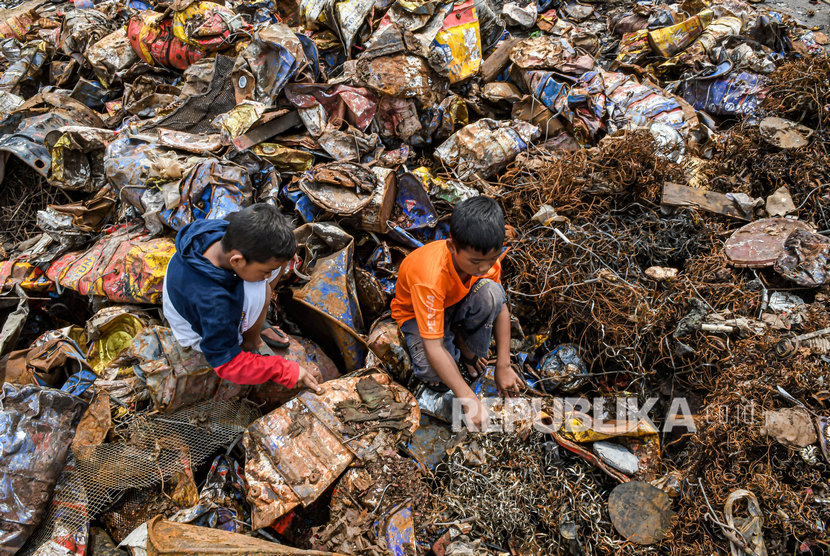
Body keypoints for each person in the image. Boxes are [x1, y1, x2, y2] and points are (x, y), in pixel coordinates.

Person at [391, 196, 524, 430]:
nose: (484, 267)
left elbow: (501, 307)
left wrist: (504, 365)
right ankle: (457, 346)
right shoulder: (430, 278)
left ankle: (461, 345)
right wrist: (468, 397)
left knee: (492, 292)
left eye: (491, 259)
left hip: (453, 302)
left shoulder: (486, 260)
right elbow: (433, 347)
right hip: (416, 314)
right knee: (435, 374)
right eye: (475, 262)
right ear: (452, 246)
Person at [163, 204, 320, 392]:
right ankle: (251, 341)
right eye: (265, 271)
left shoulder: (219, 231)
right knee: (261, 291)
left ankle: (256, 322)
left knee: (276, 262)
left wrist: (285, 248)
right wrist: (285, 371)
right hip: (194, 331)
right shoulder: (215, 303)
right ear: (236, 261)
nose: (267, 275)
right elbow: (227, 365)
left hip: (202, 289)